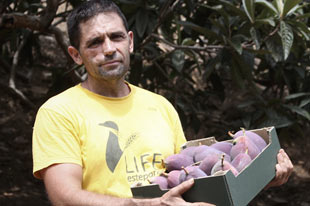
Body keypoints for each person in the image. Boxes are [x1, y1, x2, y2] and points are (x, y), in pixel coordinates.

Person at [32, 0, 293, 205]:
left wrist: (257, 177)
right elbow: (64, 197)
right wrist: (149, 204)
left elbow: (186, 180)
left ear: (131, 41)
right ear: (76, 55)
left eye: (116, 37)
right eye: (95, 42)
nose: (109, 48)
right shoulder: (59, 112)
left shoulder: (159, 106)